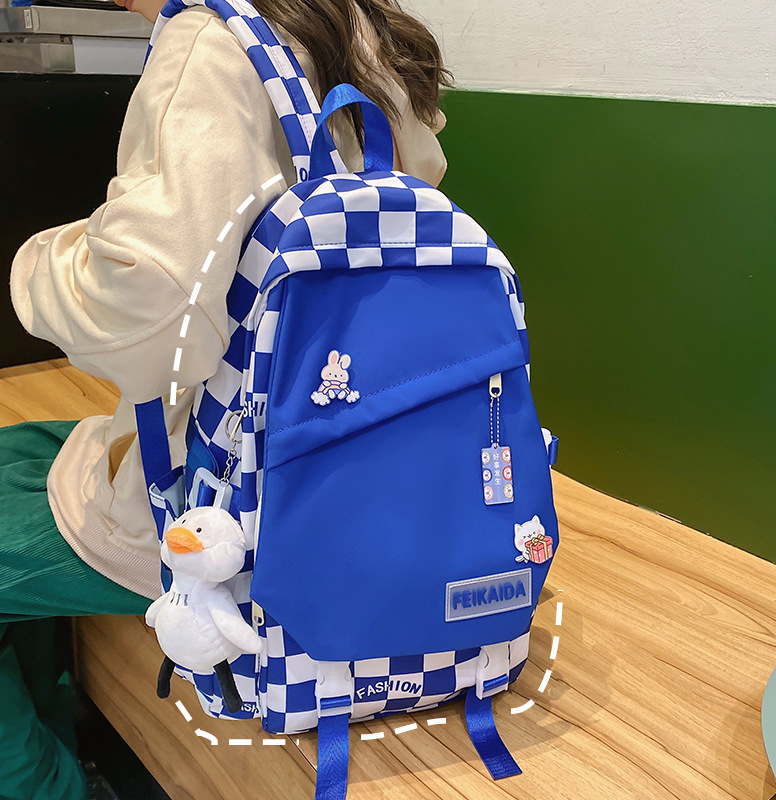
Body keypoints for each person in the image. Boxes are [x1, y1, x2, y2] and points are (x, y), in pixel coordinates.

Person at [2, 0, 450, 796]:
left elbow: (149, 315)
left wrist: (40, 262)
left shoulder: (211, 41)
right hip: (347, 475)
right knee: (23, 451)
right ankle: (63, 724)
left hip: (222, 521)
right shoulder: (356, 27)